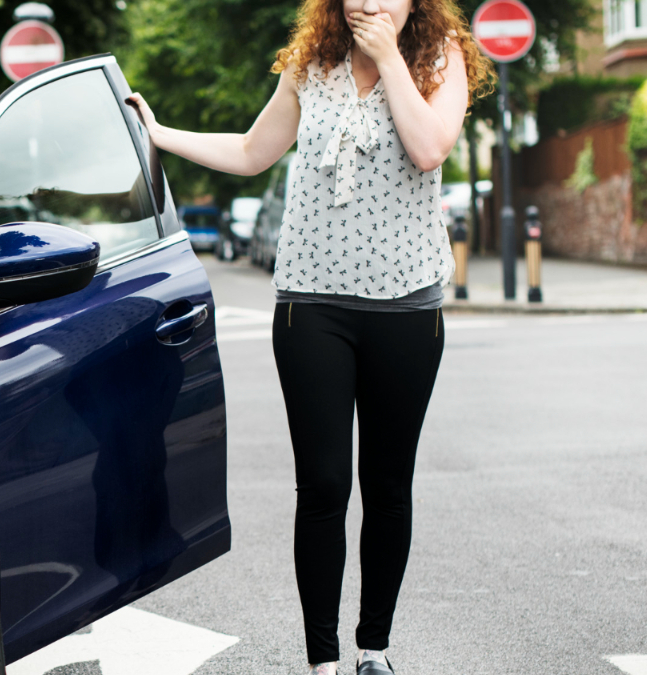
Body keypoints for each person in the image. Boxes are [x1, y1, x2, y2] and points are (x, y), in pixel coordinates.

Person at [127, 0, 493, 672]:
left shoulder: (441, 63)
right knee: (323, 485)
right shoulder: (310, 65)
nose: (367, 3)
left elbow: (429, 147)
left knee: (387, 484)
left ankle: (372, 648)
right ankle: (322, 660)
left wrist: (388, 60)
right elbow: (250, 150)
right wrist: (161, 134)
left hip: (406, 307)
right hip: (311, 306)